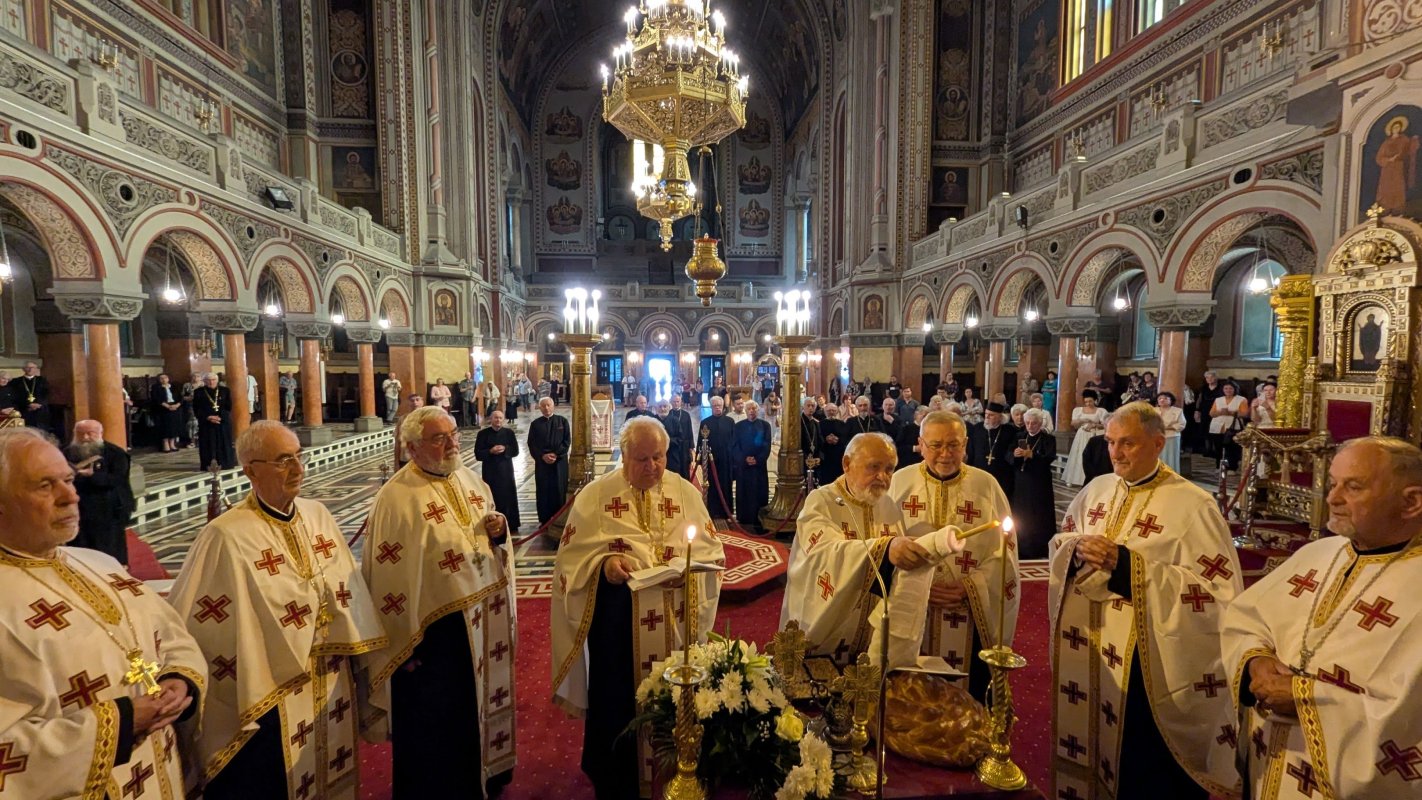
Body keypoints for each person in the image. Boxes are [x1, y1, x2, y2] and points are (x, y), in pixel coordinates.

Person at [169, 421, 386, 799]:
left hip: (332, 675)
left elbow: (348, 587)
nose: (298, 469)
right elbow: (203, 622)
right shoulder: (226, 535)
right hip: (271, 690)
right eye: (283, 460)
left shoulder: (318, 515)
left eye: (299, 457)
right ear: (250, 469)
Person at [1048, 402, 1242, 800]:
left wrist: (1127, 567)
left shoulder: (1192, 506)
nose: (1116, 453)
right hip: (1089, 643)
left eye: (1128, 444)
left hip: (1145, 656)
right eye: (1111, 442)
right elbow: (1061, 542)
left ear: (1158, 443)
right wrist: (1074, 548)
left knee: (1136, 758)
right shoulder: (1096, 490)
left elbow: (1215, 593)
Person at [0, 427, 205, 797]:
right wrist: (120, 723)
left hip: (160, 775)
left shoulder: (100, 564)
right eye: (45, 486)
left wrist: (180, 680)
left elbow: (172, 635)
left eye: (68, 479)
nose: (71, 496)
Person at [1221, 436, 1422, 799]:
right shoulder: (1318, 553)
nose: (1332, 498)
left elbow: (1409, 718)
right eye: (1333, 484)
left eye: (1354, 487)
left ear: (1411, 502)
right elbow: (1247, 620)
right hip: (1270, 765)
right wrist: (1256, 661)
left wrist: (1308, 698)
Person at [552, 417, 725, 799]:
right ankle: (617, 776)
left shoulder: (685, 492)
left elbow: (713, 550)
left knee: (675, 692)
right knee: (617, 701)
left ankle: (678, 765)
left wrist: (691, 568)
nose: (652, 467)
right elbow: (570, 562)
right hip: (618, 626)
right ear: (623, 455)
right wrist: (604, 566)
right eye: (642, 459)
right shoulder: (596, 497)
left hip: (676, 619)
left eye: (659, 457)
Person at [361, 407, 517, 797]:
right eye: (439, 438)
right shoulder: (395, 499)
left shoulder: (470, 480)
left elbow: (488, 531)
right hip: (431, 638)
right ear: (412, 447)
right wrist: (403, 647)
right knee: (438, 726)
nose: (451, 443)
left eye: (452, 434)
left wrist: (498, 530)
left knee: (477, 707)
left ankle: (488, 773)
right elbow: (386, 580)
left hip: (480, 622)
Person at [888, 411, 1016, 697]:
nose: (945, 454)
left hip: (969, 612)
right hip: (911, 608)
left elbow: (1004, 554)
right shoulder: (899, 483)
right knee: (912, 700)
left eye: (954, 445)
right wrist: (919, 586)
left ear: (966, 444)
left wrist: (969, 587)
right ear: (921, 444)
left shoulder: (986, 486)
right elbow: (883, 544)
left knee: (967, 698)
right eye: (936, 445)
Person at [781, 432, 926, 663]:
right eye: (873, 467)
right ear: (847, 464)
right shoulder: (822, 501)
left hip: (873, 634)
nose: (882, 476)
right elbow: (824, 552)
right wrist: (884, 549)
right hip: (829, 629)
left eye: (889, 469)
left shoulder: (887, 505)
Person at [64, 419, 136, 566]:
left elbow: (118, 479)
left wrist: (93, 476)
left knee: (108, 544)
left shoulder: (115, 453)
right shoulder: (66, 453)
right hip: (80, 505)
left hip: (108, 506)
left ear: (100, 433)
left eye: (90, 434)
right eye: (80, 434)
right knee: (81, 544)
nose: (85, 438)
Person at [1011, 408, 1058, 559]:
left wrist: (1032, 455)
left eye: (1034, 423)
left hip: (1039, 482)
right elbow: (1008, 456)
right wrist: (1015, 455)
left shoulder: (1048, 439)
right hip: (1021, 482)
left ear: (1040, 423)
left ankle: (1038, 547)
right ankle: (1021, 545)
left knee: (1038, 515)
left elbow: (1049, 457)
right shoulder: (1019, 436)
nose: (1030, 426)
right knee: (1021, 514)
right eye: (1028, 423)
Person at [475, 410, 521, 533]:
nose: (498, 420)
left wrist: (505, 449)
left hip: (506, 470)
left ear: (504, 419)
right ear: (491, 419)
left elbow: (515, 451)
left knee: (508, 496)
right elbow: (478, 454)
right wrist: (490, 451)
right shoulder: (483, 434)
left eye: (500, 418)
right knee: (492, 496)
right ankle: (493, 523)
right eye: (496, 418)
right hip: (490, 471)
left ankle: (511, 523)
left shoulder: (509, 433)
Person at [528, 397, 571, 526]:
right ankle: (545, 519)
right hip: (542, 464)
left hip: (559, 463)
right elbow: (532, 444)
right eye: (543, 406)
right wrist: (542, 456)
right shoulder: (535, 424)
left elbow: (566, 441)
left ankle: (560, 518)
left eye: (548, 405)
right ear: (540, 408)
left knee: (559, 489)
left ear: (553, 406)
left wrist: (555, 454)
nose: (546, 408)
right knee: (543, 490)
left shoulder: (562, 421)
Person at [732, 400, 773, 532]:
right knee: (744, 491)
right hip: (743, 467)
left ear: (757, 410)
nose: (751, 411)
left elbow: (767, 445)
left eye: (754, 409)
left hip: (758, 467)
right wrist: (743, 459)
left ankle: (758, 517)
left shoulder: (765, 425)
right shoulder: (738, 426)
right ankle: (743, 517)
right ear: (746, 410)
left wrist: (757, 459)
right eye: (749, 408)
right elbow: (734, 445)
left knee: (758, 492)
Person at [699, 396, 737, 519]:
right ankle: (712, 510)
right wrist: (700, 459)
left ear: (723, 406)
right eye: (714, 406)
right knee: (712, 485)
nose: (717, 408)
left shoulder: (730, 422)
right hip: (711, 460)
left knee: (726, 485)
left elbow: (734, 441)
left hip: (726, 459)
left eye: (719, 406)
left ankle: (726, 511)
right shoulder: (705, 423)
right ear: (711, 407)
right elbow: (701, 442)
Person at [974, 401, 1019, 497]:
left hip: (1002, 476)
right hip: (979, 474)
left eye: (991, 415)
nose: (987, 417)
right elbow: (971, 451)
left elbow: (1011, 452)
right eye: (986, 414)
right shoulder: (977, 429)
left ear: (1000, 417)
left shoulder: (1010, 431)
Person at [1064, 390, 1107, 486]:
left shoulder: (1101, 411)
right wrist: (1082, 420)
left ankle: (1090, 477)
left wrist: (1094, 425)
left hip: (1093, 435)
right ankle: (1073, 479)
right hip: (1081, 435)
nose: (1088, 403)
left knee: (1091, 456)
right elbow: (1073, 423)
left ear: (1095, 400)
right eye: (1086, 401)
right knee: (1079, 454)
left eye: (1090, 401)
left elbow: (1106, 425)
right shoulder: (1078, 410)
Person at [196, 372, 236, 471]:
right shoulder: (199, 392)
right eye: (208, 380)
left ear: (217, 380)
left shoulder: (225, 390)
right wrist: (208, 417)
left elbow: (228, 406)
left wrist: (220, 417)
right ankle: (208, 464)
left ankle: (226, 463)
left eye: (213, 380)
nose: (211, 382)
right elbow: (197, 408)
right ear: (204, 381)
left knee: (224, 442)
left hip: (222, 421)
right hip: (206, 422)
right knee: (208, 443)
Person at [1210, 381, 1249, 470]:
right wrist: (1220, 412)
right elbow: (1211, 413)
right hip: (1218, 426)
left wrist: (1231, 413)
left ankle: (1232, 467)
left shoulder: (1241, 399)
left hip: (1233, 426)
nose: (1228, 390)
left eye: (1230, 388)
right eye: (1226, 388)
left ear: (1235, 389)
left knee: (1232, 448)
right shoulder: (1218, 399)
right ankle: (1218, 466)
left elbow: (1245, 414)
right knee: (1218, 448)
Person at [663, 394, 695, 479]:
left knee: (684, 466)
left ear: (681, 402)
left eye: (678, 401)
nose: (676, 403)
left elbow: (689, 430)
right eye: (674, 401)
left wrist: (691, 447)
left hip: (684, 445)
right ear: (671, 402)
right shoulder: (668, 414)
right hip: (673, 446)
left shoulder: (686, 415)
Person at [150, 373, 184, 452]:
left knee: (174, 426)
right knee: (165, 426)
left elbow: (180, 398)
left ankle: (172, 443)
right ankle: (165, 444)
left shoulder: (174, 386)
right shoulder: (156, 388)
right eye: (161, 378)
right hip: (162, 408)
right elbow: (156, 399)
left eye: (165, 378)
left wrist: (177, 405)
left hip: (175, 407)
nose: (164, 379)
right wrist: (167, 406)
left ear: (168, 378)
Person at [1194, 371, 1224, 457]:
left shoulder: (1221, 388)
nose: (1209, 379)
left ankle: (1216, 450)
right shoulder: (1203, 388)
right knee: (1205, 430)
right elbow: (1199, 400)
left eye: (1211, 377)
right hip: (1205, 411)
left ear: (1216, 378)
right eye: (1207, 378)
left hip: (1217, 412)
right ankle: (1208, 449)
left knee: (1215, 430)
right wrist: (1197, 411)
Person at [816, 402, 847, 487]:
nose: (831, 412)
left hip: (838, 455)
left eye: (833, 410)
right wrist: (826, 440)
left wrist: (838, 440)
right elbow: (818, 438)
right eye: (829, 410)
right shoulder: (820, 424)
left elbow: (845, 437)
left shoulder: (842, 424)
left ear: (836, 412)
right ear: (825, 412)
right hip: (826, 456)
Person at [1157, 392, 1187, 473]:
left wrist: (1169, 427)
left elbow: (1181, 424)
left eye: (1165, 398)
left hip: (1172, 437)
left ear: (1171, 400)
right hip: (1156, 437)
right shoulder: (1153, 410)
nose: (1162, 400)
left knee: (1170, 457)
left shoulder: (1178, 411)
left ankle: (1171, 475)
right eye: (1160, 398)